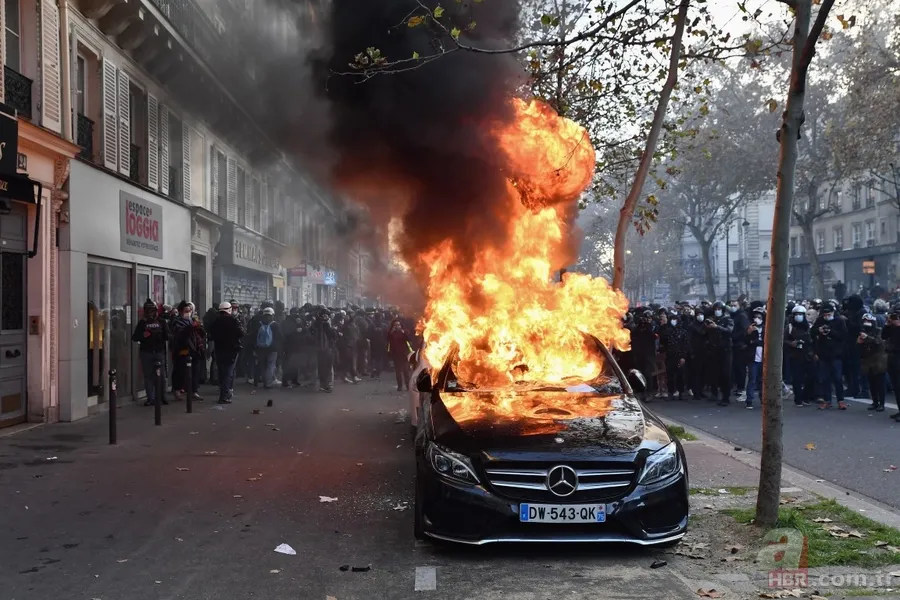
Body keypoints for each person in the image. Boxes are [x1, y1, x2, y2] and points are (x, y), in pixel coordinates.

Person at [132, 299, 169, 406]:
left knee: (161, 376)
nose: (150, 313)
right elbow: (135, 337)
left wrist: (159, 335)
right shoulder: (142, 323)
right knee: (148, 376)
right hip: (146, 352)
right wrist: (143, 336)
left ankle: (162, 397)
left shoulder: (161, 321)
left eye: (152, 311)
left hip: (158, 351)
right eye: (148, 311)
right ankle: (150, 398)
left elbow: (168, 336)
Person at [812, 303, 847, 410]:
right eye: (825, 314)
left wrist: (831, 332)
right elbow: (812, 332)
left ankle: (841, 400)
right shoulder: (820, 321)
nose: (827, 316)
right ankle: (827, 400)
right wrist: (819, 331)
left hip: (836, 354)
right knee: (825, 378)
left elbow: (844, 336)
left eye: (829, 314)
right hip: (823, 354)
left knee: (837, 378)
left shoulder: (839, 321)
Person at [208, 302, 245, 404]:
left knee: (221, 372)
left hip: (219, 350)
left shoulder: (215, 322)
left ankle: (223, 393)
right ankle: (225, 395)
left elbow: (210, 334)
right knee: (228, 373)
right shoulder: (233, 321)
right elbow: (241, 333)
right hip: (231, 351)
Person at [171, 301, 205, 402]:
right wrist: (191, 327)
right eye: (186, 311)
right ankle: (177, 390)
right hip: (182, 350)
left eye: (190, 311)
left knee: (195, 372)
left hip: (194, 350)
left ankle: (194, 391)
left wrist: (199, 327)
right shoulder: (177, 322)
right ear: (181, 312)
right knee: (181, 372)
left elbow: (201, 334)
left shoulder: (192, 320)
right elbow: (180, 335)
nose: (188, 313)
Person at [785, 305, 814, 407]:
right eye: (796, 314)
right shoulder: (789, 327)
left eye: (800, 314)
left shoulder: (809, 327)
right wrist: (791, 343)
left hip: (808, 355)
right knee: (797, 378)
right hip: (795, 355)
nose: (798, 316)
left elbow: (814, 340)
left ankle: (805, 397)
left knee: (811, 377)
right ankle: (798, 399)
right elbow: (784, 340)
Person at [707, 301, 735, 407]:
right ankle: (714, 394)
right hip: (714, 350)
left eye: (719, 309)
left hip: (726, 350)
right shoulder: (713, 320)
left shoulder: (728, 319)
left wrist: (717, 327)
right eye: (715, 309)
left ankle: (726, 397)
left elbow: (729, 331)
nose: (717, 311)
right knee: (714, 373)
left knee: (725, 375)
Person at [858, 313, 887, 412]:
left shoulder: (879, 330)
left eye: (868, 321)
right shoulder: (862, 331)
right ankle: (875, 402)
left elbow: (879, 342)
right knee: (872, 383)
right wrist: (859, 342)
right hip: (867, 360)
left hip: (878, 361)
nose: (866, 323)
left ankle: (882, 403)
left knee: (880, 384)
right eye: (865, 321)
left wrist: (867, 338)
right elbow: (858, 347)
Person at [660, 310, 689, 400]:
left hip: (680, 356)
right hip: (670, 356)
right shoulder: (667, 331)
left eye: (675, 319)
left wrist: (683, 357)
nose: (673, 321)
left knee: (681, 376)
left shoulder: (683, 332)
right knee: (670, 376)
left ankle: (681, 393)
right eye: (672, 319)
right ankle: (671, 393)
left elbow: (686, 345)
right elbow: (662, 341)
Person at [253, 307, 281, 389]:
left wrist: (255, 348)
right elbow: (280, 337)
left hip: (261, 348)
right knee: (270, 365)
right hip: (272, 348)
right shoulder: (276, 325)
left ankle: (257, 381)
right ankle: (268, 383)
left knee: (261, 365)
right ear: (272, 315)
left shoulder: (259, 324)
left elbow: (254, 336)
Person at [311, 307, 336, 392]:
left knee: (322, 367)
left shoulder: (316, 324)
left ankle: (323, 385)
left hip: (319, 349)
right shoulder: (325, 325)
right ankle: (327, 385)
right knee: (327, 368)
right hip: (326, 348)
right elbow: (332, 336)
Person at [881, 308, 900, 421]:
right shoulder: (892, 326)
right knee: (896, 387)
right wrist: (888, 325)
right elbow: (884, 336)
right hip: (892, 357)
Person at [745, 307, 765, 409]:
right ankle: (749, 400)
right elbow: (747, 341)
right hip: (753, 358)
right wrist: (749, 334)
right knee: (752, 379)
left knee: (762, 380)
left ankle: (763, 400)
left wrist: (756, 342)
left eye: (759, 317)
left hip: (763, 358)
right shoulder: (750, 328)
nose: (757, 319)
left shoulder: (766, 328)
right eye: (755, 317)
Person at [387, 318, 413, 392]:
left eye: (398, 325)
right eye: (395, 325)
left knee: (406, 371)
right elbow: (387, 339)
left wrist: (403, 332)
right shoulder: (391, 333)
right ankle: (400, 386)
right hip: (395, 355)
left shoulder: (404, 332)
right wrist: (391, 332)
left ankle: (408, 386)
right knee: (398, 372)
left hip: (404, 354)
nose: (397, 326)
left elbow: (408, 339)